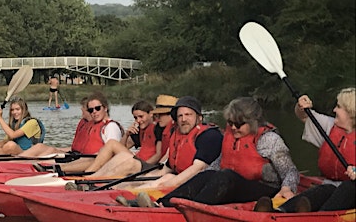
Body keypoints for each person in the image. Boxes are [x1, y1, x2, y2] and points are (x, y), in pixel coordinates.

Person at [153, 97, 299, 208]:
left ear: (253, 122)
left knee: (226, 176)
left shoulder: (269, 140)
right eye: (230, 123)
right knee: (208, 174)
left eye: (239, 124)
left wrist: (287, 188)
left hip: (264, 190)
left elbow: (290, 171)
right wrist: (203, 179)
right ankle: (163, 203)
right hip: (232, 185)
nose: (233, 127)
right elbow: (218, 164)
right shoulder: (231, 137)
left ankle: (193, 209)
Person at [254, 88, 355, 213]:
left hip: (351, 191)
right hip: (332, 186)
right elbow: (305, 116)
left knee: (348, 187)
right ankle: (281, 211)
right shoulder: (330, 126)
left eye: (339, 107)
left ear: (351, 112)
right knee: (325, 189)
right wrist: (301, 107)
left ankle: (319, 217)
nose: (334, 110)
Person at [119, 96, 223, 192]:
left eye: (188, 115)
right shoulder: (178, 136)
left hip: (205, 187)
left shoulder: (210, 136)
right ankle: (117, 191)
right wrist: (134, 182)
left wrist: (164, 185)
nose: (183, 119)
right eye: (180, 116)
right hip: (177, 179)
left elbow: (198, 168)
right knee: (148, 179)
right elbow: (165, 169)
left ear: (199, 117)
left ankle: (130, 197)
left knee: (168, 178)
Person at [75, 95, 178, 178]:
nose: (138, 120)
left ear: (150, 114)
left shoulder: (159, 129)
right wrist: (127, 134)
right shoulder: (143, 129)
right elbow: (122, 147)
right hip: (140, 161)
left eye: (141, 117)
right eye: (135, 118)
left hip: (146, 165)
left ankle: (89, 177)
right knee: (111, 149)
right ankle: (88, 175)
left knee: (113, 148)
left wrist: (146, 167)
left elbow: (159, 155)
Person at [36, 91, 124, 173]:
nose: (94, 112)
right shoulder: (93, 124)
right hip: (83, 159)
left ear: (105, 108)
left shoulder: (111, 127)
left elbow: (111, 153)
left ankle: (54, 169)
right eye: (90, 110)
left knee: (89, 159)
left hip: (97, 163)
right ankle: (47, 168)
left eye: (97, 108)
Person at [18, 97, 91, 157]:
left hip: (78, 157)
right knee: (40, 146)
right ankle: (16, 161)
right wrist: (56, 148)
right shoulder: (83, 122)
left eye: (83, 107)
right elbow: (74, 147)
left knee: (49, 151)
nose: (81, 109)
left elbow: (83, 150)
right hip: (72, 153)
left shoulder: (94, 126)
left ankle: (23, 163)